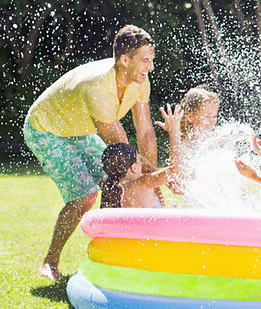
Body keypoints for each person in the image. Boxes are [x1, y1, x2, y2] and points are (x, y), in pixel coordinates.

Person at [23, 24, 160, 280]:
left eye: (151, 60)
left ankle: (118, 259)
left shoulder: (139, 79)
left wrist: (150, 183)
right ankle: (50, 262)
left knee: (121, 184)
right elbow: (122, 149)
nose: (150, 67)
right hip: (46, 129)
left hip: (80, 131)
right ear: (124, 60)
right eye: (145, 60)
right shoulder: (98, 88)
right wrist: (156, 177)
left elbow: (145, 131)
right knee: (85, 196)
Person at [100, 104, 184, 208]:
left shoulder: (108, 191)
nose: (143, 163)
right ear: (133, 167)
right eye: (140, 160)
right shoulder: (143, 183)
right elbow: (175, 169)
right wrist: (174, 131)